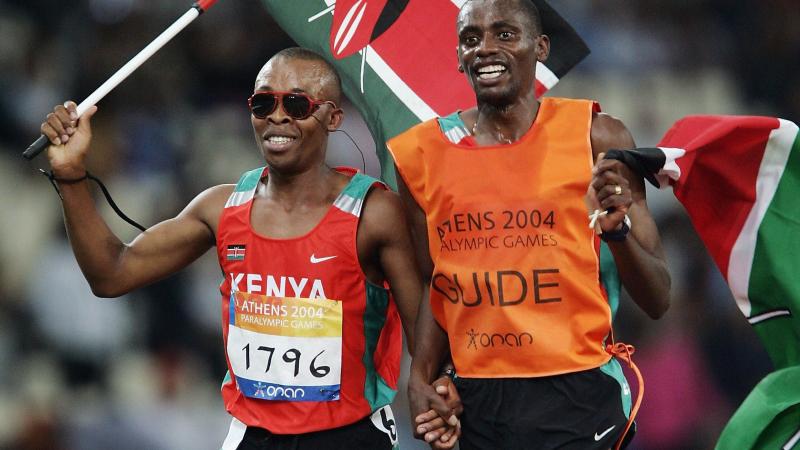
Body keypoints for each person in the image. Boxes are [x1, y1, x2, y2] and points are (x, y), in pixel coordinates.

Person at [39, 47, 424, 450]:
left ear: (333, 117)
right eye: (263, 103)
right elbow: (111, 273)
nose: (277, 116)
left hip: (350, 436)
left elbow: (423, 333)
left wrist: (436, 393)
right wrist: (69, 175)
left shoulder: (374, 214)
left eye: (296, 103)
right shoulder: (221, 209)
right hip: (253, 437)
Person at [387, 0, 672, 448]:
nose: (484, 48)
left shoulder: (597, 136)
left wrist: (617, 233)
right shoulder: (419, 155)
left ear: (540, 48)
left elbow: (658, 296)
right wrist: (423, 376)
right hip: (480, 398)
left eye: (504, 34)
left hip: (579, 391)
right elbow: (434, 284)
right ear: (459, 57)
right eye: (470, 38)